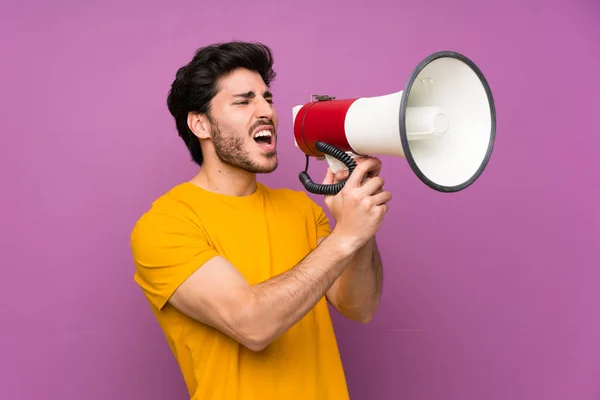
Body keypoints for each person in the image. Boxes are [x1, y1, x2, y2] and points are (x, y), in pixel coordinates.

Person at [130, 41, 391, 400]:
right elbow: (252, 324)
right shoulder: (165, 225)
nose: (265, 110)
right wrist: (345, 236)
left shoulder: (302, 210)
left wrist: (360, 219)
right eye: (244, 101)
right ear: (200, 124)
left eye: (267, 98)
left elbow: (359, 307)